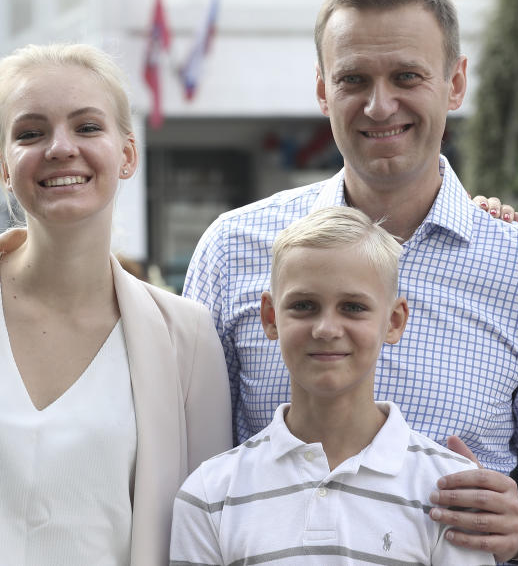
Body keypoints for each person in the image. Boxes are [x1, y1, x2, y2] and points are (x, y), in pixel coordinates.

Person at [184, 0, 518, 565]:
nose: (380, 105)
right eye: (354, 79)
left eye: (407, 76)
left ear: (455, 83)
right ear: (323, 90)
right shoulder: (234, 250)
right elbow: (195, 463)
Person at [0, 43, 232, 565]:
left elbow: (202, 534)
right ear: (5, 167)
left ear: (127, 154)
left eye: (88, 127)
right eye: (31, 132)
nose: (60, 147)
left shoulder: (186, 335)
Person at [171, 206, 494, 565]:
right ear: (270, 316)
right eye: (304, 305)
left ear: (394, 320)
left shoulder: (449, 489)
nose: (326, 329)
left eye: (353, 307)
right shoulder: (211, 493)